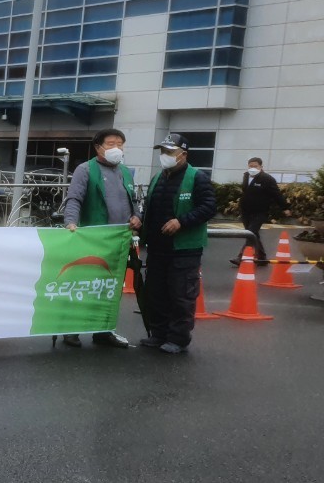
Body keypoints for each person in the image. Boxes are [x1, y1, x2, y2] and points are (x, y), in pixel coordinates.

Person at [60, 128, 140, 348]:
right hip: (93, 240)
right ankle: (72, 330)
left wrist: (137, 217)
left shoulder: (125, 172)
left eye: (120, 144)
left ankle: (104, 330)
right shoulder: (85, 169)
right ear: (98, 147)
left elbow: (134, 201)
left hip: (119, 242)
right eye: (111, 144)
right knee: (85, 284)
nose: (117, 148)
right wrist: (71, 222)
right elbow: (74, 198)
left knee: (111, 287)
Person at [138, 132, 217, 355]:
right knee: (156, 293)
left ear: (183, 154)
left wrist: (181, 221)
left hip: (184, 250)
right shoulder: (158, 177)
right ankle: (159, 333)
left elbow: (209, 207)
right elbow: (150, 209)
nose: (165, 155)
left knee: (181, 295)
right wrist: (140, 223)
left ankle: (178, 338)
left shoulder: (197, 177)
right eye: (163, 151)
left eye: (170, 152)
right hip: (157, 248)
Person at [231, 157, 285, 265]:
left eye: (255, 166)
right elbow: (246, 192)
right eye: (250, 166)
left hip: (260, 211)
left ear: (261, 167)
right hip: (246, 211)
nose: (252, 168)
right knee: (253, 234)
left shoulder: (267, 179)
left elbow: (277, 194)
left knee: (250, 233)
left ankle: (241, 257)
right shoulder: (246, 175)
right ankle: (262, 257)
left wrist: (285, 207)